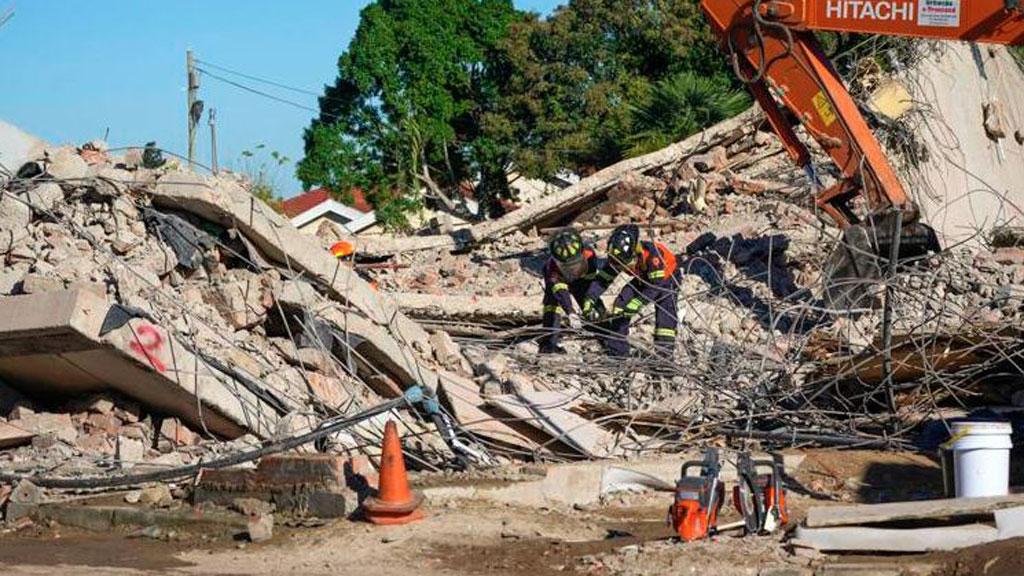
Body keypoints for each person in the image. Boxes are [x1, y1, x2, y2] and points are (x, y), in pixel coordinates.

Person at [580, 224, 680, 358]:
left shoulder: (653, 256)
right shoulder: (618, 257)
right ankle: (618, 352)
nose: (622, 267)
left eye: (625, 264)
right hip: (643, 277)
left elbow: (655, 287)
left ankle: (664, 357)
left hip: (667, 279)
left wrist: (637, 302)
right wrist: (589, 298)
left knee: (665, 317)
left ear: (635, 252)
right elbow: (602, 280)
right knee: (620, 305)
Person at [539, 228, 605, 354]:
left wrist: (589, 301)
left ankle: (605, 336)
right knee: (552, 306)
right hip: (560, 279)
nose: (572, 269)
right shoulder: (551, 269)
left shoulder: (590, 255)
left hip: (582, 279)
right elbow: (561, 293)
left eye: (575, 264)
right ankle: (548, 344)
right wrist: (571, 312)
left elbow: (591, 284)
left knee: (590, 302)